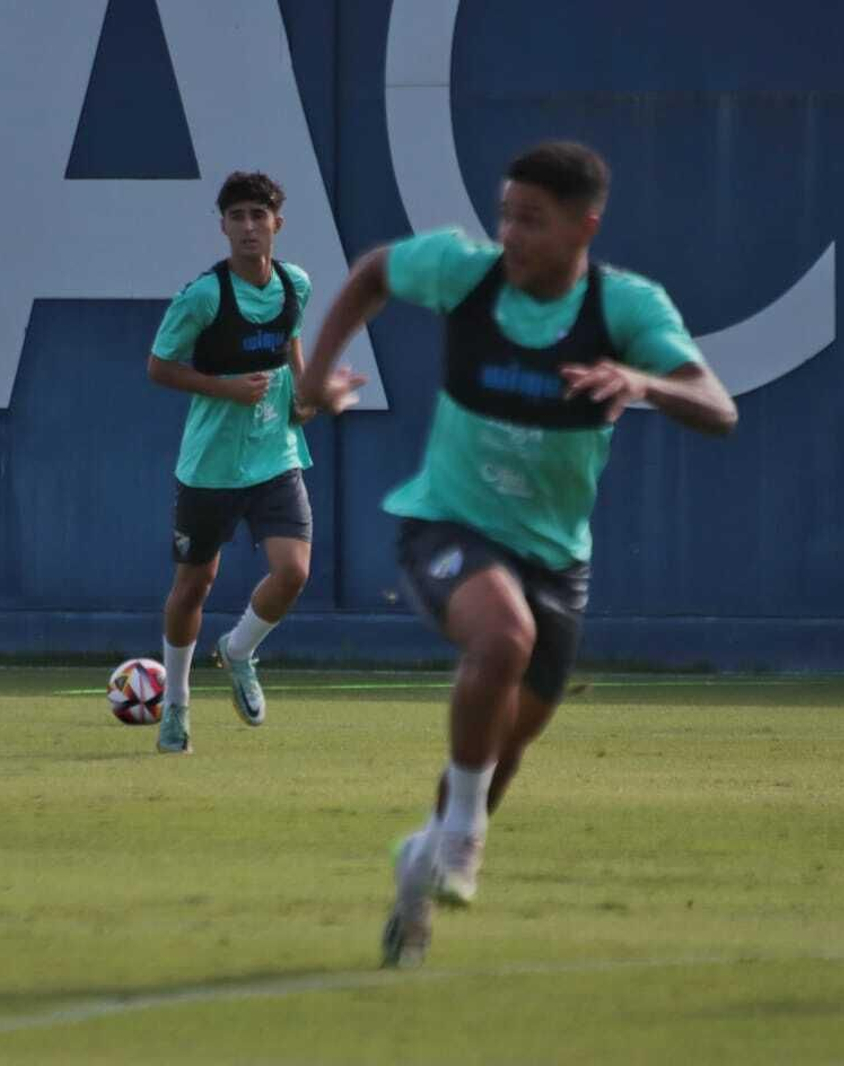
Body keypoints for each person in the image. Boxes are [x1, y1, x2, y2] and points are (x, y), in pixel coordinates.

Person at [297, 141, 738, 966]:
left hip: (556, 558)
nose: (511, 233)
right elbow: (372, 274)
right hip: (446, 524)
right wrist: (314, 381)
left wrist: (646, 385)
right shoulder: (466, 275)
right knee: (502, 639)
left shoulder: (626, 308)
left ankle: (421, 867)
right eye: (505, 214)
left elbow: (718, 407)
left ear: (585, 225)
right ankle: (464, 836)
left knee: (505, 742)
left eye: (531, 220)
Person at [145, 171, 327, 755]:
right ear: (222, 226)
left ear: (277, 223)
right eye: (237, 217)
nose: (248, 227)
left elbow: (291, 341)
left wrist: (304, 391)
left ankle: (240, 650)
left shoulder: (296, 283)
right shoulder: (203, 296)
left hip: (276, 455)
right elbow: (159, 367)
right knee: (194, 584)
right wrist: (225, 388)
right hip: (210, 468)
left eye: (258, 215)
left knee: (293, 572)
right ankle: (175, 706)